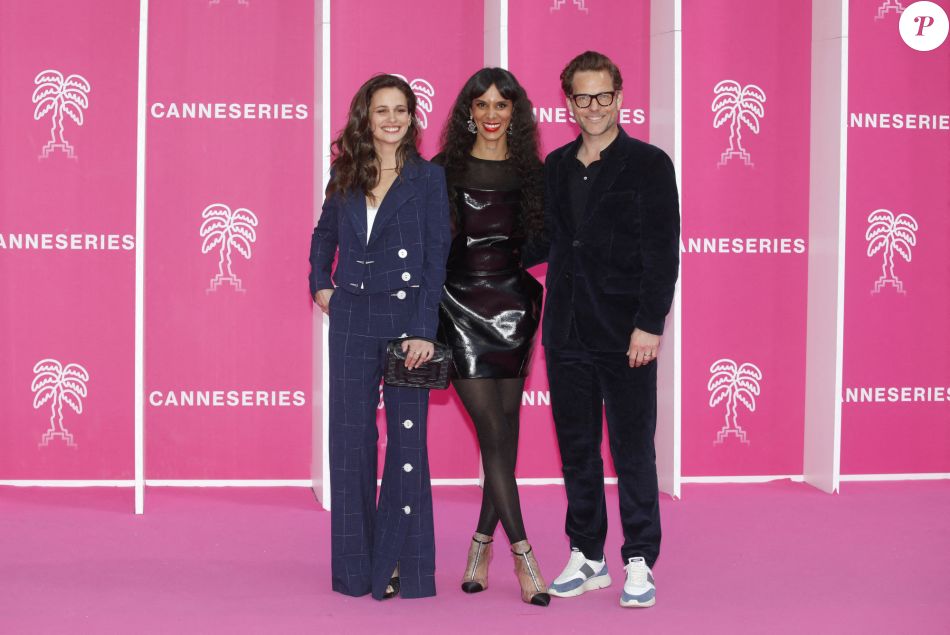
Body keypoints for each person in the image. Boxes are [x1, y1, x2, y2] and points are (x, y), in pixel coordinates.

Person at [539, 51, 680, 608]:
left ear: (620, 96)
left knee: (632, 450)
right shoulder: (555, 165)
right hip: (566, 330)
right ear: (568, 100)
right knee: (577, 450)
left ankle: (640, 558)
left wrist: (650, 323)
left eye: (603, 96)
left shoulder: (649, 163)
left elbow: (661, 251)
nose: (593, 107)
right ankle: (588, 555)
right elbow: (547, 240)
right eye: (581, 97)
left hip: (626, 335)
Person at [309, 74, 451, 601]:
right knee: (349, 444)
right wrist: (321, 284)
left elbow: (437, 257)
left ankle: (403, 566)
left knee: (407, 444)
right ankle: (353, 571)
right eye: (381, 110)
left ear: (413, 117)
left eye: (400, 110)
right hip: (350, 320)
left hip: (404, 324)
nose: (391, 119)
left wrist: (422, 331)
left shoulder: (428, 179)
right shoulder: (345, 172)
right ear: (365, 118)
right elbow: (324, 236)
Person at [434, 67, 549, 606]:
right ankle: (524, 552)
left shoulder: (534, 173)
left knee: (503, 433)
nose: (491, 115)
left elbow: (550, 240)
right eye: (481, 105)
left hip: (514, 307)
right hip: (458, 306)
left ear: (515, 113)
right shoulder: (442, 170)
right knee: (494, 435)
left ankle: (481, 543)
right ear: (468, 114)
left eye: (501, 105)